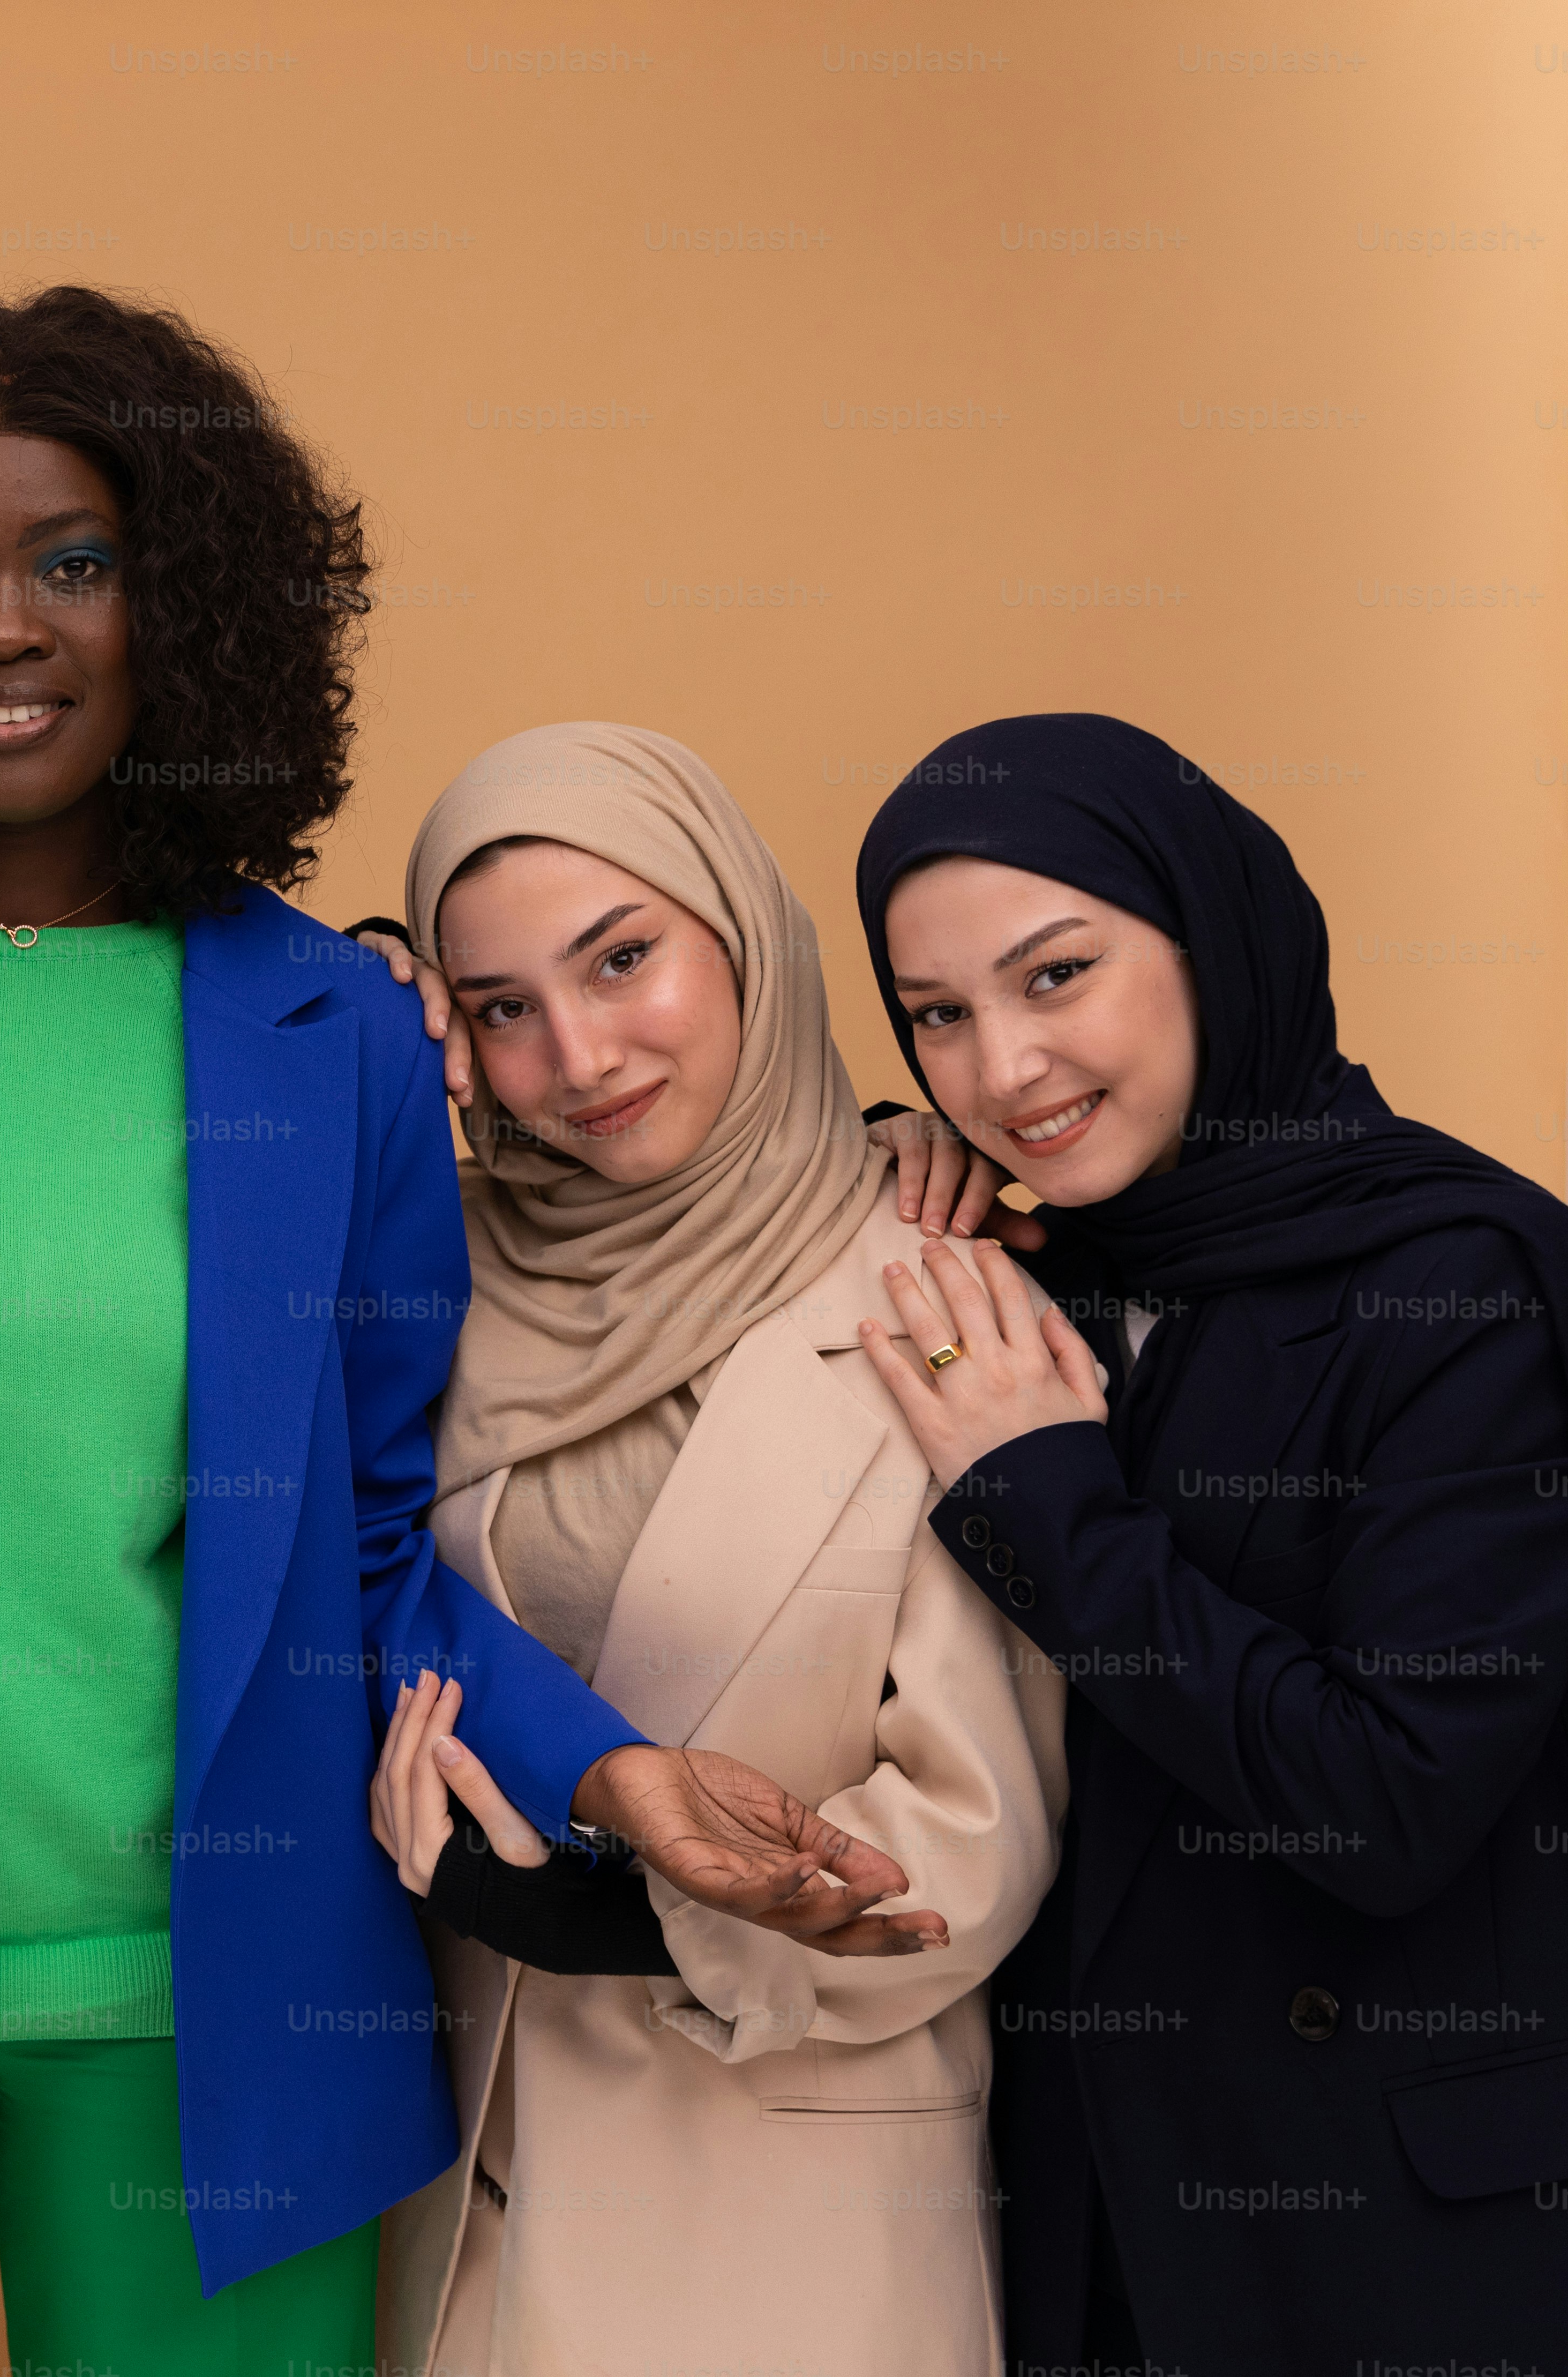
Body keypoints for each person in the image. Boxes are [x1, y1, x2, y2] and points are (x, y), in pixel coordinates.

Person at [0, 288, 929, 2375]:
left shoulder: (327, 1025)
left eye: (77, 562)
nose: (5, 628)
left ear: (186, 600)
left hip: (226, 2012)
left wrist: (607, 1771)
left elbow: (362, 1549)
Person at [849, 712, 1568, 2377]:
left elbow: (1384, 1800)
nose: (999, 1071)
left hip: (1389, 2244)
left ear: (1210, 937)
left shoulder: (1461, 1280)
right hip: (1089, 2223)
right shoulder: (1030, 1266)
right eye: (936, 1017)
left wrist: (1045, 1497)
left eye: (1054, 977)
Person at [349, 723, 1063, 2375]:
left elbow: (978, 1828)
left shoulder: (943, 1292)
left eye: (621, 959)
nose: (579, 1053)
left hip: (787, 2221)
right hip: (460, 2203)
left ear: (740, 931)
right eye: (501, 1005)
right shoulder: (420, 1276)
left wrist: (608, 1912)